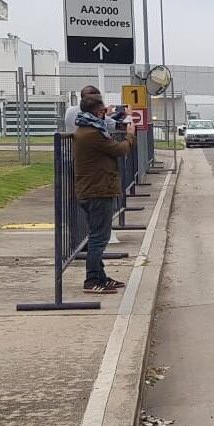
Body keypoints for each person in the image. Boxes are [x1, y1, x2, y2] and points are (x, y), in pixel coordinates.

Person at [73, 95, 136, 294]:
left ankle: (100, 276)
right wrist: (130, 135)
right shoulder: (92, 134)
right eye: (101, 111)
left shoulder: (89, 128)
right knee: (99, 238)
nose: (104, 115)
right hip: (97, 190)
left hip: (95, 188)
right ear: (95, 112)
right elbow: (119, 149)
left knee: (98, 235)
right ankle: (92, 280)